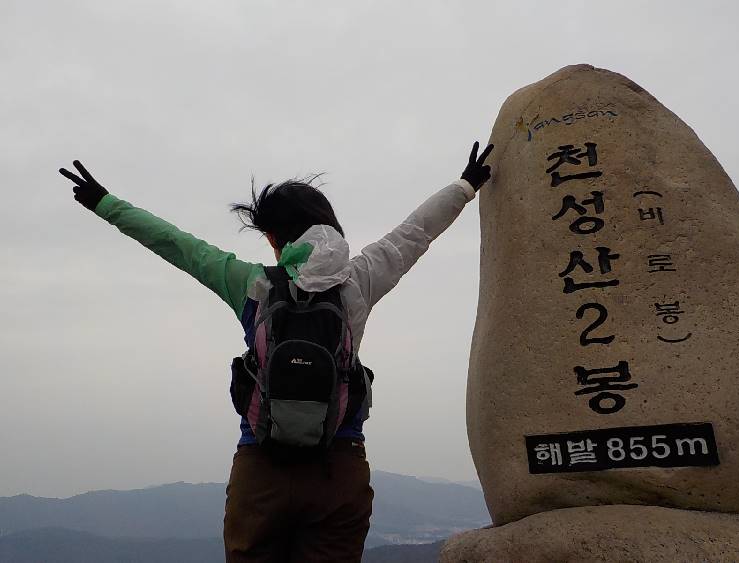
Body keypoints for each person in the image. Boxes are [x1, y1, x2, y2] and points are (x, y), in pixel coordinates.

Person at [58, 141, 493, 562]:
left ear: (273, 238)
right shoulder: (359, 280)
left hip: (261, 469)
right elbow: (415, 232)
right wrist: (466, 185)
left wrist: (105, 202)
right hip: (338, 468)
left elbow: (175, 244)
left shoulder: (251, 284)